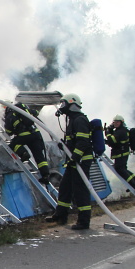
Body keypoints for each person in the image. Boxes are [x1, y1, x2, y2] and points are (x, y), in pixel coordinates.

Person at [46, 93, 94, 230]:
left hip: (81, 161)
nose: (62, 107)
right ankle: (61, 215)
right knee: (65, 187)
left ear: (71, 104)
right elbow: (75, 141)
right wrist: (65, 146)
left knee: (80, 190)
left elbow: (83, 142)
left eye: (64, 104)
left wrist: (75, 157)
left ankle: (84, 222)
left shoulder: (79, 120)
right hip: (74, 161)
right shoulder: (72, 120)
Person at [3, 101, 51, 183]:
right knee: (39, 156)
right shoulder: (23, 110)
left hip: (24, 136)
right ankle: (45, 175)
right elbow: (36, 112)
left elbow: (8, 131)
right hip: (36, 135)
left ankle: (24, 154)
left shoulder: (10, 116)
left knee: (13, 144)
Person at [104, 114, 135, 190]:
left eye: (117, 122)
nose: (115, 123)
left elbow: (112, 140)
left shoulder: (121, 131)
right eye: (114, 122)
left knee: (120, 169)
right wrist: (110, 131)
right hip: (122, 153)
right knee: (123, 169)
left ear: (121, 122)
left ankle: (133, 184)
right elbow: (113, 141)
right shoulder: (120, 130)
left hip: (121, 154)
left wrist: (108, 131)